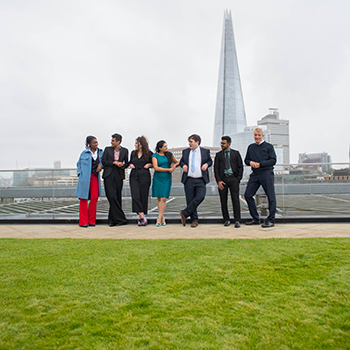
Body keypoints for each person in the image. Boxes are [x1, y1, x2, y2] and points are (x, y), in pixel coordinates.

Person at [244, 127, 277, 228]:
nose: (257, 137)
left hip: (266, 173)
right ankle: (255, 218)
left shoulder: (269, 147)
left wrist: (260, 164)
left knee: (270, 196)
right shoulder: (251, 147)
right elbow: (246, 160)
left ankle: (270, 220)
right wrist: (251, 162)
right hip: (255, 174)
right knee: (248, 195)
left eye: (259, 135)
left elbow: (273, 160)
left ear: (263, 136)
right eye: (255, 135)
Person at [179, 134, 212, 228]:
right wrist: (183, 165)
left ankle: (185, 213)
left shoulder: (205, 151)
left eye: (191, 141)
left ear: (197, 142)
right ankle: (194, 220)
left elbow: (210, 161)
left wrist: (206, 164)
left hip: (201, 179)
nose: (189, 143)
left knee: (200, 197)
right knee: (190, 201)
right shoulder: (185, 152)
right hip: (189, 179)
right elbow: (181, 161)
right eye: (189, 141)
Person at [214, 135, 243, 228]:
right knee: (223, 200)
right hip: (223, 180)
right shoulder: (218, 155)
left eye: (223, 143)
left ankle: (237, 220)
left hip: (234, 179)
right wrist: (218, 181)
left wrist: (238, 178)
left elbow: (240, 167)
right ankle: (226, 219)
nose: (221, 145)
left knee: (235, 200)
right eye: (221, 143)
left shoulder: (236, 153)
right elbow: (216, 169)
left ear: (229, 144)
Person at [76, 135, 103, 227]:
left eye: (97, 142)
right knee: (83, 199)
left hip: (95, 177)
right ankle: (83, 221)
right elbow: (78, 164)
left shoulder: (100, 152)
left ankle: (92, 220)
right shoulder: (84, 153)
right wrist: (79, 174)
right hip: (84, 178)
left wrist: (101, 165)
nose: (96, 144)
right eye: (94, 143)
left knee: (94, 198)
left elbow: (103, 161)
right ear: (89, 144)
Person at [102, 133, 128, 227]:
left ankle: (112, 220)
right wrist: (114, 163)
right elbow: (104, 161)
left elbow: (127, 163)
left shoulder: (125, 150)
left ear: (118, 141)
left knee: (117, 197)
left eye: (113, 140)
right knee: (111, 196)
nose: (111, 142)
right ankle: (121, 219)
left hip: (119, 174)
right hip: (108, 174)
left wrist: (122, 165)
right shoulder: (107, 149)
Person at [151, 140, 179, 226]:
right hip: (158, 178)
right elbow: (156, 168)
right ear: (159, 148)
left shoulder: (169, 154)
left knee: (163, 198)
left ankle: (159, 217)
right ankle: (162, 217)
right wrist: (168, 169)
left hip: (167, 178)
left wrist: (173, 166)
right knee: (159, 198)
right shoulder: (154, 156)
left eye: (166, 146)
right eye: (164, 146)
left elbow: (177, 162)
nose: (166, 148)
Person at [129, 136, 153, 226]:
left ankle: (140, 217)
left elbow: (155, 163)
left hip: (144, 176)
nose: (135, 145)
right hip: (134, 175)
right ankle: (142, 216)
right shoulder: (133, 153)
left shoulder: (149, 153)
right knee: (135, 196)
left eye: (136, 143)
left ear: (141, 144)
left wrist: (149, 164)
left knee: (143, 195)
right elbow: (130, 161)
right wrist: (130, 164)